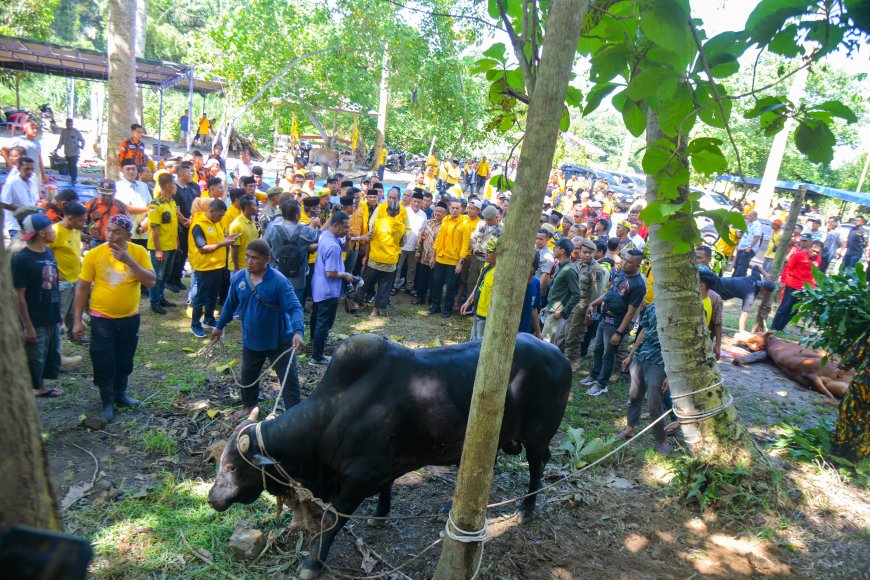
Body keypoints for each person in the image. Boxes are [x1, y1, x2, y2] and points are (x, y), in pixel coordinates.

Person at [72, 215, 156, 421]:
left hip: (129, 317)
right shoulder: (94, 254)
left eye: (117, 232)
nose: (110, 235)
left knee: (125, 357)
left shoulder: (138, 252)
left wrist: (129, 261)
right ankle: (107, 401)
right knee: (103, 359)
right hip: (102, 319)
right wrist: (77, 321)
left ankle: (120, 394)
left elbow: (151, 281)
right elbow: (82, 287)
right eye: (109, 230)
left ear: (128, 235)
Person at [212, 240, 305, 418]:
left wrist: (298, 331)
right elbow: (230, 304)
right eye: (247, 256)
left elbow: (295, 307)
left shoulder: (278, 281)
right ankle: (249, 407)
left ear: (267, 260)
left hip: (279, 340)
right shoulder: (240, 278)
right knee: (248, 375)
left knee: (289, 379)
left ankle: (294, 415)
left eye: (255, 258)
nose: (249, 261)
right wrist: (219, 326)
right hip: (252, 339)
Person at [12, 214, 65, 398]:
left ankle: (40, 385)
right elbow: (19, 296)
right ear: (41, 233)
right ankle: (36, 388)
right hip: (35, 318)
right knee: (35, 355)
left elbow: (54, 285)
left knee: (50, 353)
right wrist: (27, 325)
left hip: (51, 313)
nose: (53, 231)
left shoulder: (49, 252)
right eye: (50, 228)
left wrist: (59, 314)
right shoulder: (21, 259)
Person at [582, 250, 646, 396]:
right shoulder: (621, 273)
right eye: (624, 259)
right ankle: (594, 375)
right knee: (597, 349)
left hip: (616, 324)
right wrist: (593, 303)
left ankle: (601, 384)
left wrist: (619, 332)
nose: (624, 263)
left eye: (629, 262)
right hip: (604, 318)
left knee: (608, 354)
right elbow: (609, 292)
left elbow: (631, 312)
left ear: (638, 265)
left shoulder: (638, 285)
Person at [619, 302, 671, 455]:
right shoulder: (653, 306)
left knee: (654, 403)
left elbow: (681, 344)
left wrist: (670, 374)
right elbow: (643, 331)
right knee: (634, 396)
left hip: (660, 362)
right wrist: (631, 355)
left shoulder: (677, 308)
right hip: (641, 356)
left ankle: (662, 439)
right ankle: (630, 429)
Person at [188, 200, 238, 338]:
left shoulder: (216, 223)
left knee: (212, 295)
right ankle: (195, 324)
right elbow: (203, 248)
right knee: (201, 297)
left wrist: (228, 238)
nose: (221, 218)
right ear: (211, 211)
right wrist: (223, 243)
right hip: (204, 267)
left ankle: (209, 319)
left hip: (217, 266)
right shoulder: (199, 225)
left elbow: (216, 240)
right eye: (220, 215)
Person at [310, 211, 355, 365]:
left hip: (318, 287)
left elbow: (344, 249)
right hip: (328, 290)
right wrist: (345, 275)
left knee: (316, 319)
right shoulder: (332, 245)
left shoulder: (326, 236)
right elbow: (330, 273)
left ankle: (314, 344)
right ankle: (317, 356)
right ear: (335, 225)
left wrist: (347, 240)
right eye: (345, 227)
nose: (347, 230)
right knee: (324, 323)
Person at [264, 198, 319, 305]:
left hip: (276, 275)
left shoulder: (272, 228)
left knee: (277, 308)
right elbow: (318, 237)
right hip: (297, 278)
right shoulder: (305, 230)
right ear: (297, 216)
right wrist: (313, 226)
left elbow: (265, 247)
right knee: (295, 308)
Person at [564, 238, 607, 370]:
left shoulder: (596, 269)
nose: (587, 255)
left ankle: (572, 361)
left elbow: (597, 293)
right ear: (580, 252)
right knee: (567, 333)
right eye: (585, 252)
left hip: (583, 307)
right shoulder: (578, 264)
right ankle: (568, 358)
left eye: (590, 252)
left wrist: (591, 314)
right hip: (572, 304)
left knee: (574, 335)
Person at [49, 201, 87, 345]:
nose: (84, 224)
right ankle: (53, 345)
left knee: (73, 311)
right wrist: (54, 272)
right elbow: (45, 252)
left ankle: (75, 336)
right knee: (60, 314)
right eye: (81, 220)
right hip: (62, 281)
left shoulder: (75, 230)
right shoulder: (55, 232)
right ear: (70, 219)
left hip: (75, 278)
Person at [358, 200, 405, 316]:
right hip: (390, 261)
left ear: (387, 211)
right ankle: (375, 311)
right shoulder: (401, 226)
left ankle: (356, 303)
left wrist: (366, 256)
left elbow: (369, 238)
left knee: (365, 282)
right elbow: (402, 243)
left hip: (375, 258)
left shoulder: (377, 223)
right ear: (398, 212)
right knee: (384, 287)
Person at [428, 200, 471, 318]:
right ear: (449, 209)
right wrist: (433, 255)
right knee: (436, 283)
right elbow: (439, 239)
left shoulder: (465, 224)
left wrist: (460, 262)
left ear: (461, 209)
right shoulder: (445, 220)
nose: (455, 210)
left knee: (451, 286)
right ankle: (435, 306)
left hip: (454, 260)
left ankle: (447, 309)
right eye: (453, 208)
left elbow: (465, 245)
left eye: (457, 208)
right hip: (440, 258)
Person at [771, 240, 823, 332]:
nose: (815, 253)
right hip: (792, 284)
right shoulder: (799, 255)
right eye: (813, 250)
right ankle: (774, 328)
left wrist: (812, 287)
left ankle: (781, 328)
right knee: (785, 307)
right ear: (809, 247)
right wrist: (783, 281)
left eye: (817, 252)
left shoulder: (818, 260)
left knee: (794, 310)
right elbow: (788, 267)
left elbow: (814, 274)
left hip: (804, 288)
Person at [147, 173, 180, 314]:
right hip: (161, 247)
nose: (176, 187)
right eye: (174, 185)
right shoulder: (155, 205)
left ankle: (161, 298)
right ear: (167, 186)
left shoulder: (171, 202)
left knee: (165, 275)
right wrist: (158, 250)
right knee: (157, 276)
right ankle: (154, 302)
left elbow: (173, 224)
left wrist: (176, 241)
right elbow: (154, 229)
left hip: (171, 245)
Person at [708, 265, 775, 334]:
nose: (768, 295)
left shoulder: (756, 277)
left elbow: (756, 267)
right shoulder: (751, 294)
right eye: (768, 293)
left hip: (720, 281)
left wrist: (765, 274)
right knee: (712, 314)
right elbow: (744, 313)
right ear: (764, 289)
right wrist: (742, 331)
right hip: (718, 289)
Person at [540, 238, 580, 348]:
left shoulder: (569, 270)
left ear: (562, 251)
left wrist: (563, 312)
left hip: (556, 314)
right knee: (545, 344)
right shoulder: (560, 266)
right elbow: (559, 291)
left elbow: (576, 294)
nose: (553, 249)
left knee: (546, 346)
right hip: (552, 310)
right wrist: (548, 306)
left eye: (556, 247)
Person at [167, 161, 198, 292]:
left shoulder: (189, 189)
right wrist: (185, 222)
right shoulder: (175, 190)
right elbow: (176, 210)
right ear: (182, 174)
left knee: (184, 253)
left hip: (188, 226)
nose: (192, 175)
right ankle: (170, 280)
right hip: (179, 228)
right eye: (190, 173)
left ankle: (177, 278)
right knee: (177, 254)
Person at [460, 238, 498, 339]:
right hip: (477, 309)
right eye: (486, 251)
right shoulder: (487, 265)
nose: (486, 254)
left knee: (480, 340)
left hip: (486, 315)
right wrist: (468, 301)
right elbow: (478, 285)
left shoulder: (498, 273)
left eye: (489, 252)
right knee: (473, 338)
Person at [394, 190, 427, 293]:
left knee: (412, 268)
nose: (416, 204)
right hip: (402, 245)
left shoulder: (423, 215)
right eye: (414, 201)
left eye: (419, 202)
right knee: (398, 267)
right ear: (411, 200)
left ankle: (409, 286)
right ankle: (395, 285)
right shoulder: (404, 211)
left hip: (415, 246)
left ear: (422, 202)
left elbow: (423, 231)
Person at [1, 156, 39, 242]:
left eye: (32, 169)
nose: (30, 172)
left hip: (30, 224)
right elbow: (3, 203)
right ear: (19, 168)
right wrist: (22, 211)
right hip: (16, 226)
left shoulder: (33, 181)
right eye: (26, 169)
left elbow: (35, 201)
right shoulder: (11, 183)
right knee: (19, 248)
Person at [115, 158, 152, 247]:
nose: (131, 172)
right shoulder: (118, 186)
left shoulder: (143, 186)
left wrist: (146, 222)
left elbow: (152, 205)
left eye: (133, 169)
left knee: (142, 254)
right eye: (128, 169)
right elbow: (128, 208)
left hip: (144, 230)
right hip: (128, 232)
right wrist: (148, 209)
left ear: (137, 171)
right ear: (122, 171)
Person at [415, 202, 446, 304]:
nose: (437, 213)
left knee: (435, 280)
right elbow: (421, 238)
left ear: (445, 214)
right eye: (436, 211)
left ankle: (432, 300)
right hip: (424, 256)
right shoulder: (427, 223)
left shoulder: (446, 226)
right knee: (422, 279)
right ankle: (420, 298)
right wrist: (418, 252)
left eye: (440, 211)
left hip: (438, 258)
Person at [84, 179, 128, 247]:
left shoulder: (121, 207)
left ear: (115, 193)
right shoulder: (91, 204)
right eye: (103, 194)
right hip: (94, 241)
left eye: (108, 194)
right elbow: (84, 223)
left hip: (114, 242)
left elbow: (126, 227)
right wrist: (85, 241)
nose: (106, 197)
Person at [2, 121, 47, 186]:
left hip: (36, 174)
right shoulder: (19, 140)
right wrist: (11, 165)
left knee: (35, 192)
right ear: (25, 129)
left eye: (35, 128)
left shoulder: (37, 142)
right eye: (32, 128)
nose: (35, 130)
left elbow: (39, 159)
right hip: (23, 174)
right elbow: (4, 150)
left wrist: (43, 174)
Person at [698, 269, 724, 360]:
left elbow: (718, 323)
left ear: (702, 286)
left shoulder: (714, 299)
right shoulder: (688, 296)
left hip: (702, 343)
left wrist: (718, 345)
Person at [518, 253, 543, 338]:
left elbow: (533, 308)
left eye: (528, 265)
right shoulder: (514, 284)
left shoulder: (536, 283)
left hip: (524, 334)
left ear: (534, 268)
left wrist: (538, 332)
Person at [54, 118, 86, 184]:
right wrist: (57, 148)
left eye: (70, 124)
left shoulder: (76, 132)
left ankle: (74, 179)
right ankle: (71, 178)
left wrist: (82, 146)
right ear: (66, 124)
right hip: (67, 152)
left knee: (73, 165)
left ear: (72, 124)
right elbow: (61, 141)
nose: (69, 126)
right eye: (67, 124)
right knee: (69, 166)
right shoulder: (64, 131)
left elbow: (83, 140)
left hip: (75, 153)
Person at [732, 210, 762, 277]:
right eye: (748, 216)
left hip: (748, 248)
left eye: (750, 216)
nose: (748, 217)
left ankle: (738, 279)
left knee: (742, 265)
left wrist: (750, 247)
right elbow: (745, 235)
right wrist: (739, 245)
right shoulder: (750, 224)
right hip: (742, 247)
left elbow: (757, 236)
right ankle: (734, 278)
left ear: (755, 216)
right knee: (737, 264)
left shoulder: (757, 225)